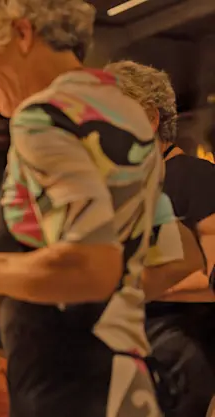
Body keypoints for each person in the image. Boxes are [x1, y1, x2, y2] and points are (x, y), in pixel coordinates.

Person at [0, 0, 203, 416]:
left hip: (66, 388)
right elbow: (178, 253)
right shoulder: (125, 114)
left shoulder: (44, 116)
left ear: (22, 33)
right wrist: (111, 305)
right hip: (129, 383)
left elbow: (90, 267)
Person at [105, 60, 215, 416]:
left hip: (181, 355)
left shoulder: (198, 177)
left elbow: (212, 276)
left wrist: (139, 285)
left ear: (150, 119)